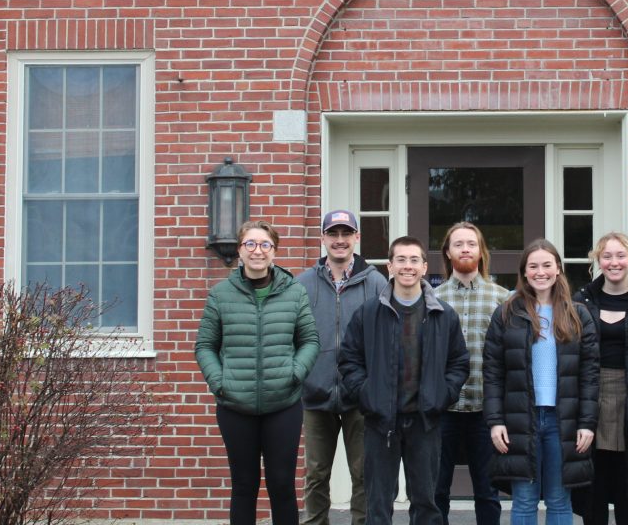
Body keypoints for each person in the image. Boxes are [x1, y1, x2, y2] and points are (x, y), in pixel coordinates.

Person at [338, 236, 471, 525]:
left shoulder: (443, 315)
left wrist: (442, 395)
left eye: (414, 260)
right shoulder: (369, 312)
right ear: (390, 266)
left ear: (424, 267)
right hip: (380, 421)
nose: (407, 266)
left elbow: (459, 362)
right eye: (401, 260)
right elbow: (349, 360)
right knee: (378, 503)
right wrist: (366, 394)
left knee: (426, 503)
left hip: (425, 421)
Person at [195, 221, 320, 525]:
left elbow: (310, 341)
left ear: (274, 251)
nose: (257, 251)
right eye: (250, 244)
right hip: (235, 405)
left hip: (283, 405)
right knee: (243, 487)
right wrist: (219, 382)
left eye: (265, 244)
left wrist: (295, 372)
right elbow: (205, 346)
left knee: (282, 486)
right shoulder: (221, 295)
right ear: (239, 250)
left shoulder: (294, 292)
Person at [483, 238, 599, 525]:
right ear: (524, 272)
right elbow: (493, 373)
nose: (540, 272)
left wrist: (587, 422)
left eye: (547, 265)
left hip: (564, 420)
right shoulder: (506, 314)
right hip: (521, 420)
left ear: (558, 268)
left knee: (560, 500)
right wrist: (496, 420)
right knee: (524, 500)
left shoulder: (578, 314)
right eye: (533, 266)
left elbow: (589, 375)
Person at [297, 209, 389, 525]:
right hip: (315, 394)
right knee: (316, 474)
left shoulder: (376, 282)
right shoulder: (303, 283)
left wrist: (373, 385)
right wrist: (301, 376)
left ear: (356, 238)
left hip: (359, 397)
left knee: (364, 474)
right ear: (323, 238)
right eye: (333, 234)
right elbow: (291, 335)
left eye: (345, 234)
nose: (339, 241)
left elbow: (387, 338)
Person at [572, 232, 628, 525]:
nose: (614, 262)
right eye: (607, 256)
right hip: (591, 394)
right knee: (593, 485)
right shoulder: (580, 302)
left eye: (621, 256)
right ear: (598, 261)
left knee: (627, 485)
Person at [432, 222, 511, 525]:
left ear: (481, 252)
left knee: (487, 491)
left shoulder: (502, 298)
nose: (465, 249)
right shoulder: (432, 298)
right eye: (458, 244)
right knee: (436, 489)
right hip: (443, 408)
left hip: (485, 409)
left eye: (471, 244)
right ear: (448, 252)